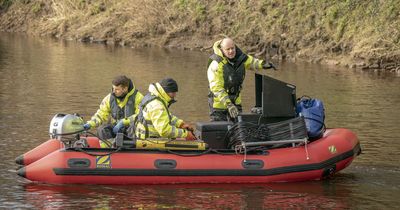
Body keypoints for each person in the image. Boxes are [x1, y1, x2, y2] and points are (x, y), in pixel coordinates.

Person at [207, 37, 277, 121]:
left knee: (239, 129)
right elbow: (217, 88)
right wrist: (229, 105)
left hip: (236, 102)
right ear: (222, 50)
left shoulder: (241, 58)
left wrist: (264, 64)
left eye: (232, 48)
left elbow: (252, 62)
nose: (231, 51)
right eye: (227, 49)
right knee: (220, 130)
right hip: (219, 106)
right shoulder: (216, 64)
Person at [83, 75, 144, 146]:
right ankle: (108, 149)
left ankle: (131, 151)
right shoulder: (109, 98)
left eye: (117, 89)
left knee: (134, 128)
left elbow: (140, 116)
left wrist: (124, 122)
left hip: (131, 129)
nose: (113, 91)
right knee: (102, 129)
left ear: (125, 89)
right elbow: (101, 114)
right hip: (116, 129)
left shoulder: (139, 98)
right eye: (113, 88)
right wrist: (90, 124)